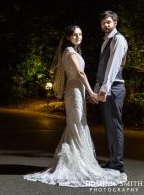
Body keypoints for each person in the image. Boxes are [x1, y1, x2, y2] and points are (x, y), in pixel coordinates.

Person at [23, 25, 127, 187]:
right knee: (76, 124)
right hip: (73, 91)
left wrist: (86, 93)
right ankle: (73, 162)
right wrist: (92, 92)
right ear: (68, 37)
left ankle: (76, 160)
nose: (78, 37)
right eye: (74, 35)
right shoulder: (70, 52)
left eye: (80, 34)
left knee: (78, 123)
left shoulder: (75, 51)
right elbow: (80, 73)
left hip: (78, 91)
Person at [94, 11, 128, 174]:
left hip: (114, 88)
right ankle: (113, 160)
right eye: (102, 23)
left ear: (115, 22)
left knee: (115, 125)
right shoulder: (106, 41)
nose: (105, 25)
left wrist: (104, 89)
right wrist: (97, 87)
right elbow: (103, 67)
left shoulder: (118, 39)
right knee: (109, 126)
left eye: (108, 22)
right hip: (107, 87)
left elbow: (113, 67)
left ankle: (118, 164)